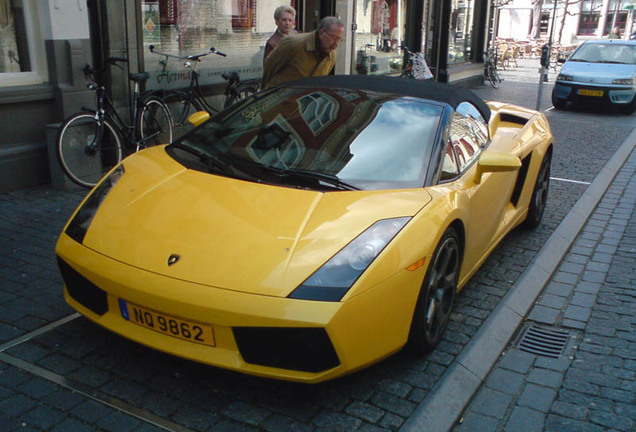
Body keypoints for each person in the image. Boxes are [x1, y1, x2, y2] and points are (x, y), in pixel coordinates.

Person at [262, 16, 345, 89]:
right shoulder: (293, 44)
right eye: (334, 37)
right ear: (321, 33)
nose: (336, 44)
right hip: (277, 100)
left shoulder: (331, 56)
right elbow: (269, 67)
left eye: (339, 39)